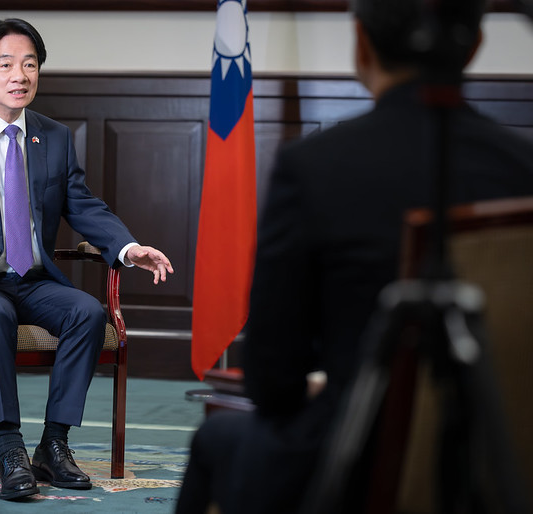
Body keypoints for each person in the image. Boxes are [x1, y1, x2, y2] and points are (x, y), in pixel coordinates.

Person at [177, 0, 533, 512]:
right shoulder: (523, 170)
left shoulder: (315, 167)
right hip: (496, 464)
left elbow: (273, 380)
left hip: (350, 465)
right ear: (474, 45)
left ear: (361, 43)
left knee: (215, 439)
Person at [0, 18, 173, 502]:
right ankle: (10, 448)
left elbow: (83, 206)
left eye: (30, 65)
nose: (20, 76)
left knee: (86, 311)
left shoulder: (53, 136)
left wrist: (128, 248)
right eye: (6, 64)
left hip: (31, 280)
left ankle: (53, 444)